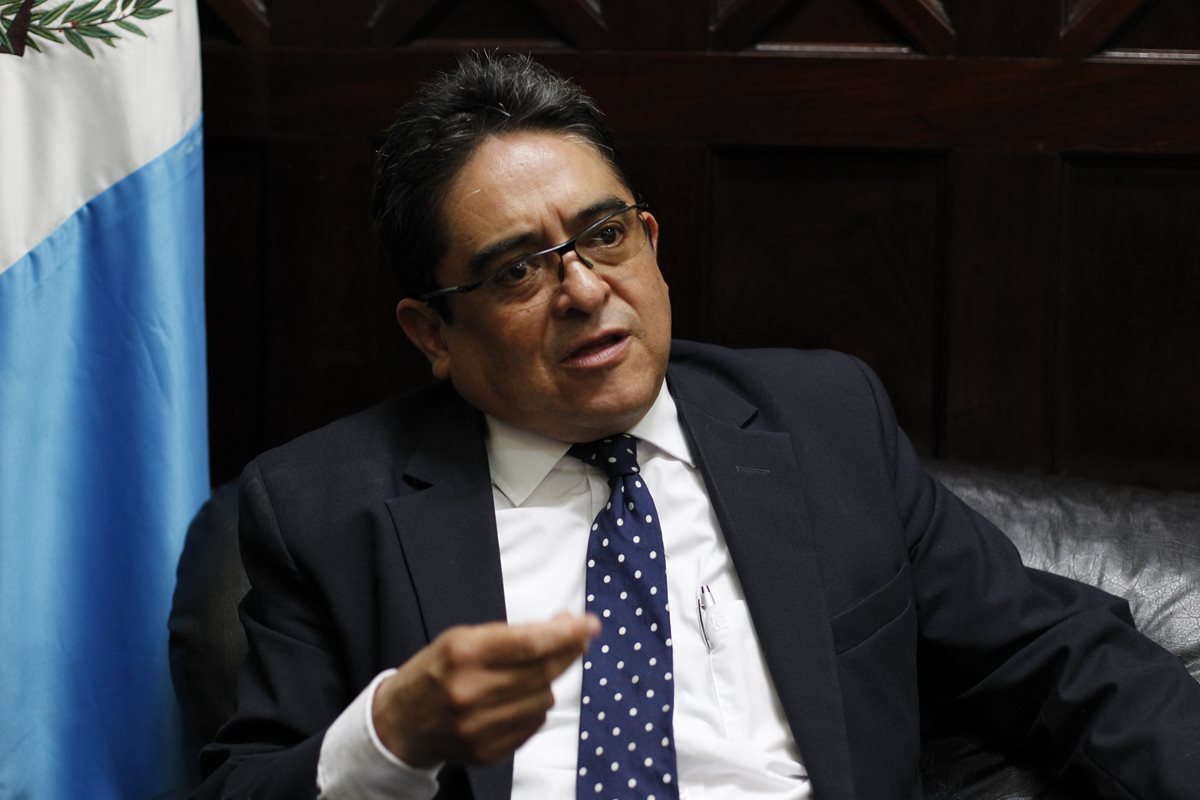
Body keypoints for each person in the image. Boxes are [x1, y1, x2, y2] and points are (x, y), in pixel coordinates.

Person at [193, 53, 1200, 800]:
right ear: (432, 333)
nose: (586, 291)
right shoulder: (325, 506)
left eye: (605, 236)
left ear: (650, 243)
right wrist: (389, 734)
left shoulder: (824, 423)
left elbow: (1059, 656)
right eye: (518, 270)